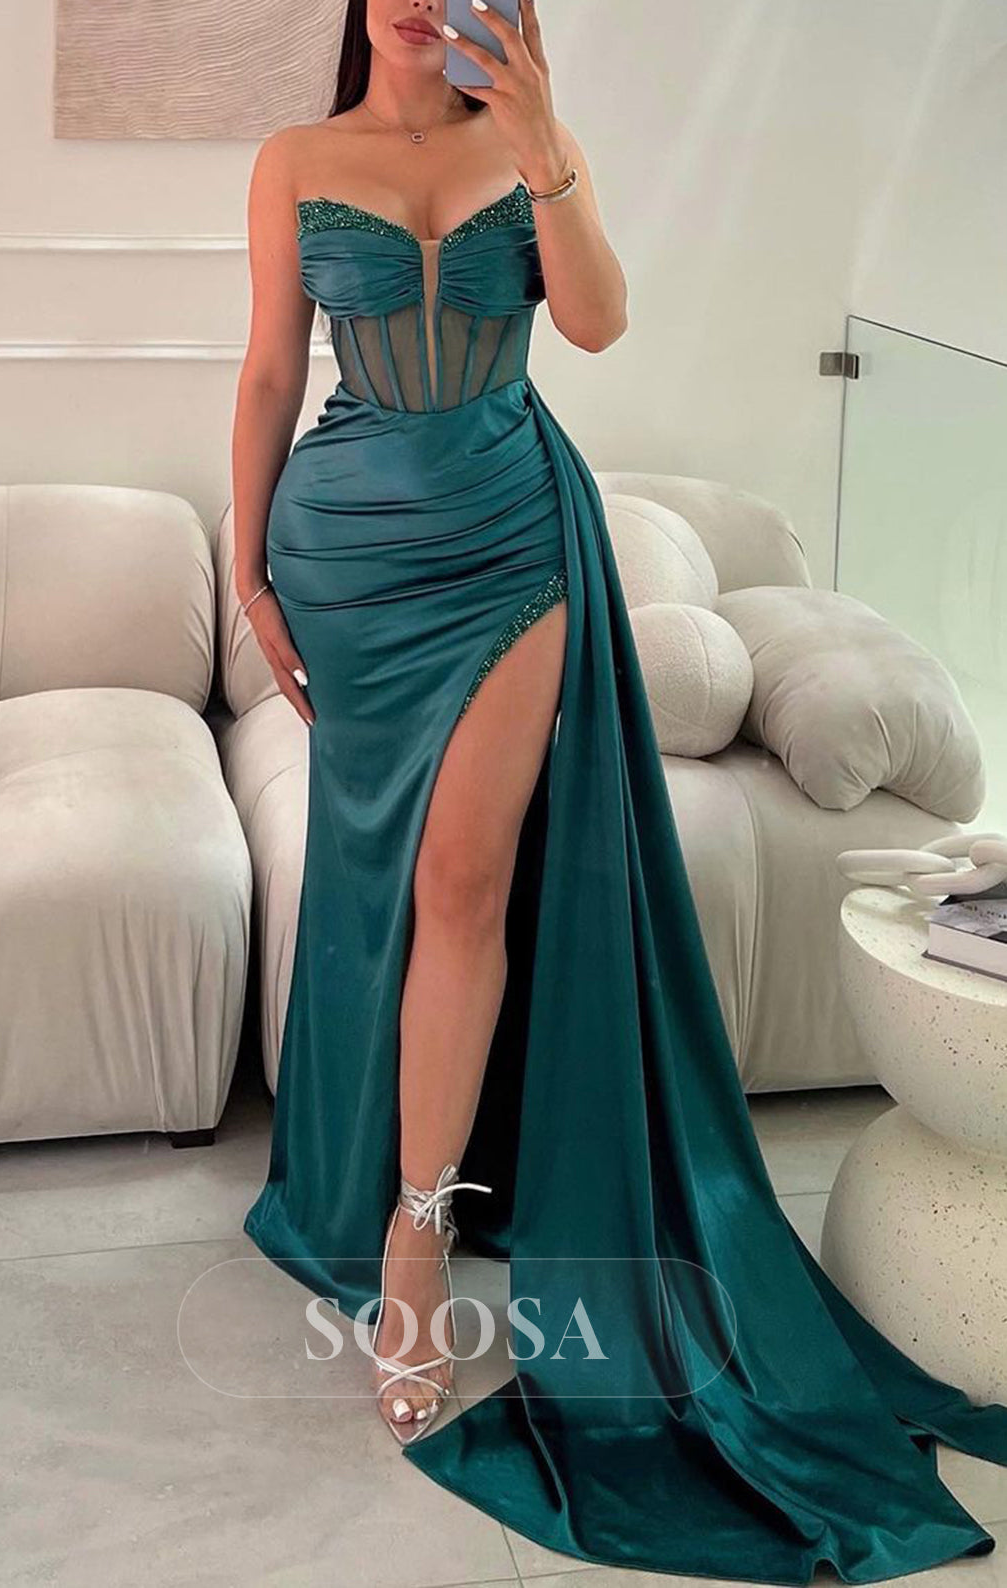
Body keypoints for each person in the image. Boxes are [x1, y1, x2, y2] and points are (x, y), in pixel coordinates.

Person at [231, 0, 1007, 1578]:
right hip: (348, 554)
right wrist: (247, 570)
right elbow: (265, 372)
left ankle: (419, 1231)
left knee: (464, 883)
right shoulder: (294, 157)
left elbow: (594, 324)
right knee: (378, 883)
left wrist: (539, 139)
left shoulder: (535, 146)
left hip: (512, 540)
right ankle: (366, 1170)